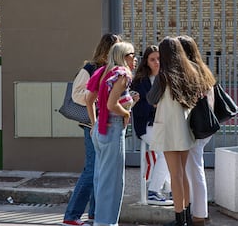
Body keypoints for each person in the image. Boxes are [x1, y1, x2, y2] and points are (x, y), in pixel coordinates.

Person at [62, 33, 121, 226]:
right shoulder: (91, 68)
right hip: (92, 124)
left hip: (105, 123)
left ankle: (95, 214)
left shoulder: (114, 69)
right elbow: (77, 93)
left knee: (101, 170)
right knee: (92, 169)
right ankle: (72, 215)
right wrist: (97, 99)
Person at [147, 36, 202, 226]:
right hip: (185, 127)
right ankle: (186, 216)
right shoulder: (191, 71)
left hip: (169, 128)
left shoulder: (163, 75)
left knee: (175, 174)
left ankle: (179, 218)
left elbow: (151, 98)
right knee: (182, 174)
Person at [86, 41, 138, 226]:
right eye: (132, 54)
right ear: (124, 56)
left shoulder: (103, 72)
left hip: (100, 128)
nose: (135, 58)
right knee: (113, 182)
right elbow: (112, 105)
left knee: (102, 179)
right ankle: (106, 223)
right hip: (112, 128)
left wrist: (94, 123)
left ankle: (101, 221)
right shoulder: (122, 74)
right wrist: (126, 113)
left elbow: (88, 99)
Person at [177, 35, 216, 226]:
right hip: (204, 128)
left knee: (194, 169)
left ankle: (199, 214)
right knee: (194, 168)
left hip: (194, 129)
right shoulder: (203, 69)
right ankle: (198, 212)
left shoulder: (189, 71)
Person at [131, 45, 173, 206]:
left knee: (173, 150)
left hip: (165, 125)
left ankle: (168, 188)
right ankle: (154, 191)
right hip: (147, 126)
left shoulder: (167, 79)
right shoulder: (140, 82)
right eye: (152, 59)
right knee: (165, 150)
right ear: (146, 62)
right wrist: (155, 106)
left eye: (159, 59)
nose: (156, 62)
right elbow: (138, 109)